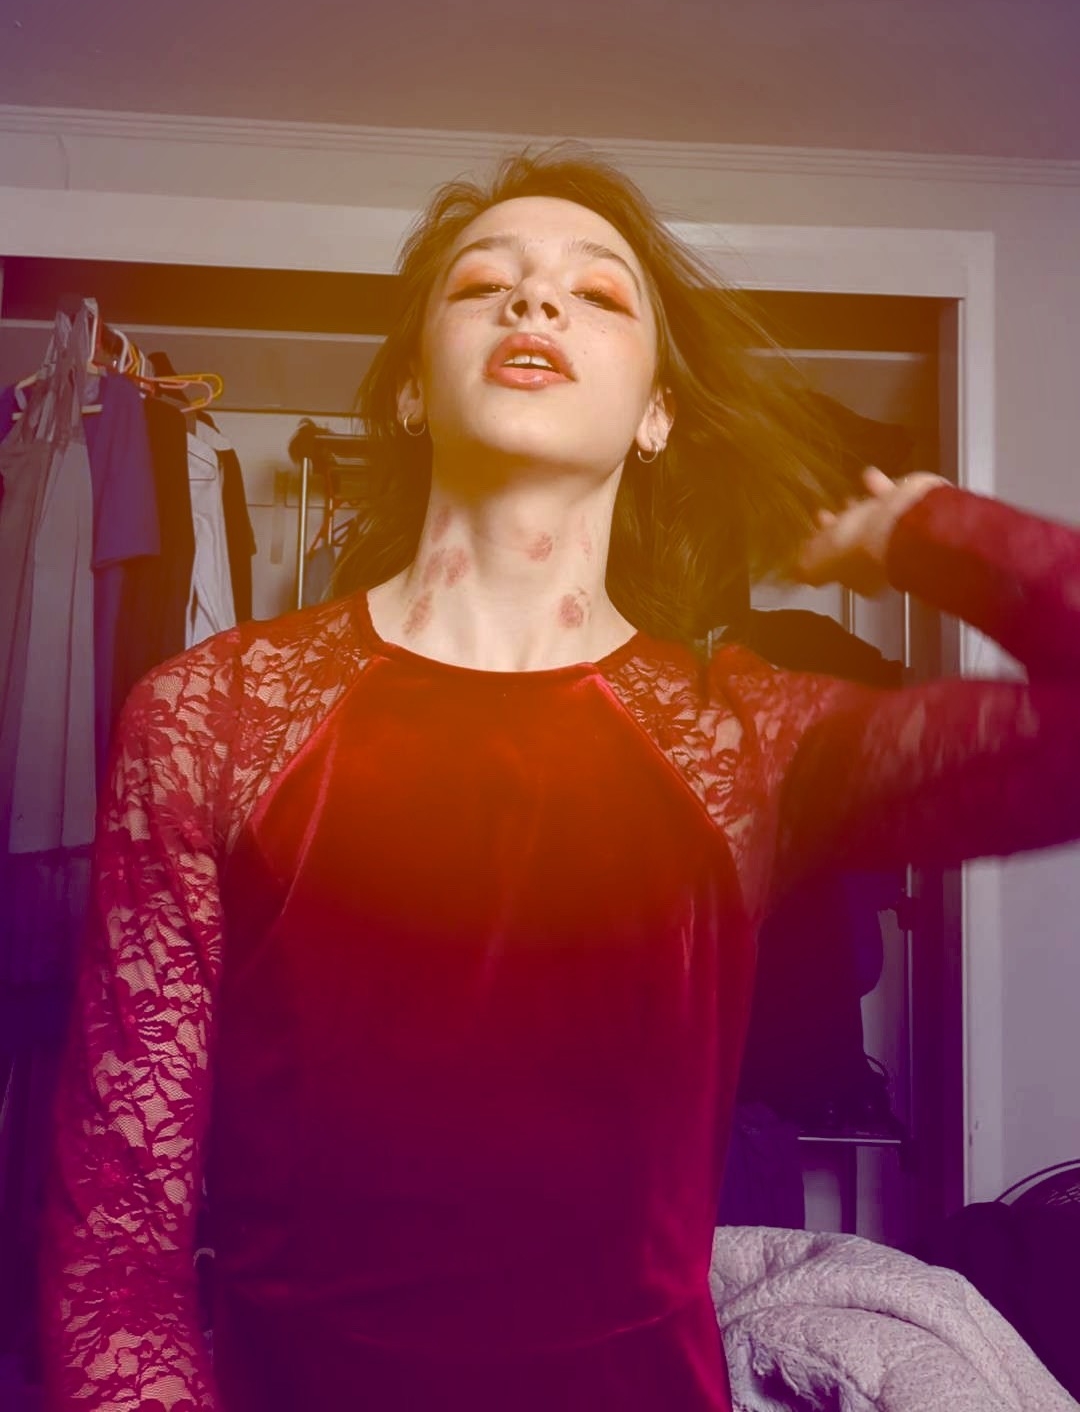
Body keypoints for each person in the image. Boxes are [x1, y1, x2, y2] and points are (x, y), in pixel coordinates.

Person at [40, 145, 1080, 1412]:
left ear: (656, 415)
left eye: (596, 292)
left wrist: (929, 529)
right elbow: (116, 1250)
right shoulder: (211, 715)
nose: (534, 300)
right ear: (410, 388)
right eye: (485, 283)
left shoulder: (738, 737)